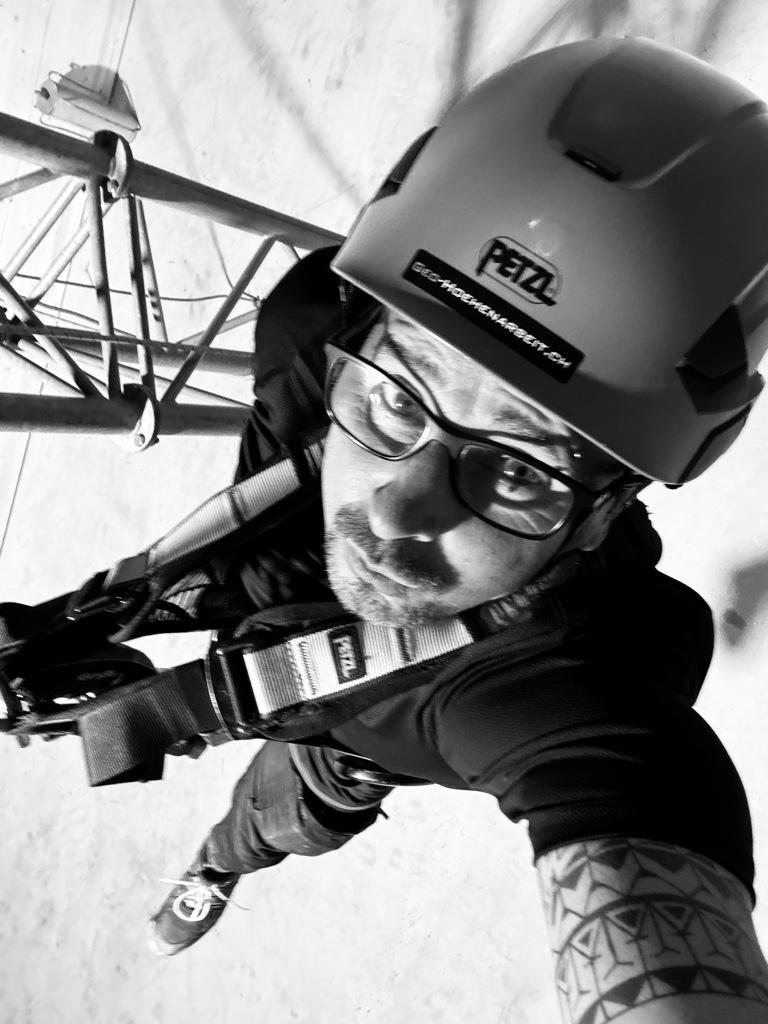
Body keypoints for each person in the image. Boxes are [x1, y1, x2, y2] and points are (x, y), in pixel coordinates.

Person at [149, 36, 768, 1022]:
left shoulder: (565, 672)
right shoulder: (308, 337)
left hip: (342, 748)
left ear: (603, 512)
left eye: (517, 467)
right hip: (274, 656)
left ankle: (221, 865)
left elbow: (625, 791)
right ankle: (222, 856)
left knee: (282, 813)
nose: (394, 507)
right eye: (401, 399)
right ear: (359, 336)